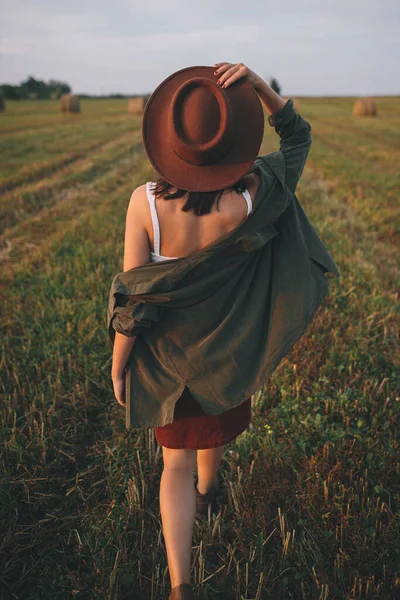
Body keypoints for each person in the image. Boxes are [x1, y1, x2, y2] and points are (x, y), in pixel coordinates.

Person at [107, 62, 340, 600]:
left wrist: (120, 367)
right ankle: (212, 490)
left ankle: (180, 583)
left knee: (174, 468)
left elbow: (135, 303)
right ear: (233, 137)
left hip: (168, 367)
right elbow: (299, 136)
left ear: (169, 139)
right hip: (230, 358)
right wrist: (258, 84)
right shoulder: (257, 192)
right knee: (213, 423)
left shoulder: (144, 204)